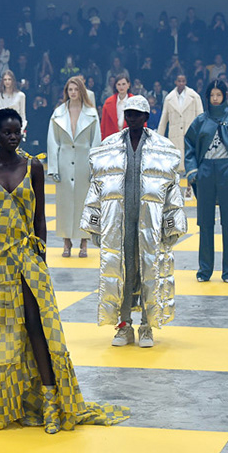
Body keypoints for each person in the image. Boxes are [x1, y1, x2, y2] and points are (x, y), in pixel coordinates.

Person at [0, 109, 129, 433]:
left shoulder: (34, 167)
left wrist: (40, 257)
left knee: (36, 325)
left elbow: (40, 218)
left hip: (24, 257)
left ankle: (49, 401)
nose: (13, 137)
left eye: (17, 131)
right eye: (6, 132)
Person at [83, 95, 188, 349]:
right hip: (118, 222)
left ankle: (147, 326)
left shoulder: (163, 148)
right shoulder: (108, 147)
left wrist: (172, 225)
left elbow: (172, 189)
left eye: (137, 114)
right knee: (121, 273)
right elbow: (96, 186)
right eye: (128, 114)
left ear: (146, 118)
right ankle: (123, 326)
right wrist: (95, 224)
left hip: (149, 224)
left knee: (149, 271)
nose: (131, 118)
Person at [184, 79, 228, 283]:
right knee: (205, 223)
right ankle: (204, 270)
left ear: (225, 96)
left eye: (219, 95)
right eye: (212, 95)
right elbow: (189, 146)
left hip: (227, 173)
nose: (215, 99)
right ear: (207, 97)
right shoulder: (199, 121)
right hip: (205, 172)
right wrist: (193, 171)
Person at [47, 75, 98, 259]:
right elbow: (52, 142)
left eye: (76, 89)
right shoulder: (58, 113)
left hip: (85, 161)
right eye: (70, 89)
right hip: (64, 160)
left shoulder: (92, 113)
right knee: (65, 204)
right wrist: (53, 167)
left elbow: (96, 142)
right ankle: (66, 241)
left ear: (81, 91)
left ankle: (84, 242)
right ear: (66, 92)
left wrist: (96, 168)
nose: (73, 93)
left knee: (85, 203)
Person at [156, 74, 202, 167]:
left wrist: (201, 136)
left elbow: (200, 118)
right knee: (176, 164)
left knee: (190, 163)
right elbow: (163, 121)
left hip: (191, 134)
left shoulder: (194, 97)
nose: (181, 83)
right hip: (174, 135)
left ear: (186, 82)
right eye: (179, 81)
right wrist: (158, 140)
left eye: (183, 81)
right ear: (175, 82)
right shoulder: (169, 98)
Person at [99, 74, 132, 141]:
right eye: (119, 84)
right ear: (115, 86)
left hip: (130, 140)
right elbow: (103, 125)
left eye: (123, 84)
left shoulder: (135, 101)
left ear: (128, 85)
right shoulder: (108, 103)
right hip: (111, 140)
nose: (121, 87)